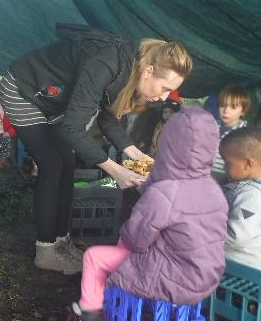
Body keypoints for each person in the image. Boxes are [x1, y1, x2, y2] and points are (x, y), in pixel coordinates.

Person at [0, 23, 192, 273]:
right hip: (24, 90)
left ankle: (61, 242)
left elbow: (107, 118)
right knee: (52, 166)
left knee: (67, 166)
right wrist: (115, 170)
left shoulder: (128, 71)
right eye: (165, 88)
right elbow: (73, 129)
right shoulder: (106, 64)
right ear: (149, 71)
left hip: (53, 101)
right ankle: (45, 250)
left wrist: (135, 153)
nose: (165, 97)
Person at [72, 108, 228, 321]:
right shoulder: (213, 188)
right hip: (205, 277)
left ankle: (90, 312)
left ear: (167, 146)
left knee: (94, 256)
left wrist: (127, 230)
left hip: (168, 276)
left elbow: (136, 241)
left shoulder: (165, 192)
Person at [220, 127, 261, 271]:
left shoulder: (253, 195)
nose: (224, 167)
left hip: (238, 275)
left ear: (247, 164)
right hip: (231, 269)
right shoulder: (244, 188)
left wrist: (204, 234)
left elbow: (237, 236)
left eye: (227, 162)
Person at [211, 85, 249, 183]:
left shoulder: (244, 134)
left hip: (226, 180)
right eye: (223, 105)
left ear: (243, 111)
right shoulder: (210, 126)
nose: (226, 111)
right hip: (204, 174)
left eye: (233, 107)